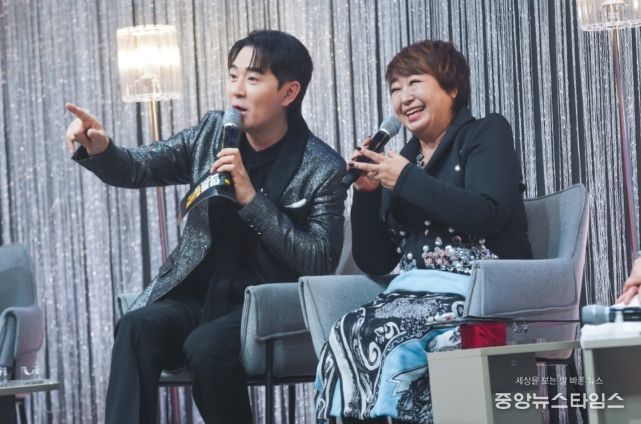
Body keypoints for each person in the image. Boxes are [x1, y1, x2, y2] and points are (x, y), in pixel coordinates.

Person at [65, 30, 346, 424]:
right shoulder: (213, 133)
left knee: (206, 347)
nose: (237, 90)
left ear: (289, 92)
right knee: (136, 326)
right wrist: (101, 149)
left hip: (264, 305)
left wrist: (252, 200)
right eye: (233, 76)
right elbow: (139, 166)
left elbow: (319, 261)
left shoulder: (322, 167)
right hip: (199, 297)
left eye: (253, 78)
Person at [314, 40, 532, 423]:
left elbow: (487, 213)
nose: (404, 98)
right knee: (346, 331)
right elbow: (377, 261)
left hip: (478, 292)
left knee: (392, 337)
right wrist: (366, 195)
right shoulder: (404, 161)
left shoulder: (485, 133)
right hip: (411, 293)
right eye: (395, 89)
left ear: (452, 88)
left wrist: (405, 180)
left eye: (415, 82)